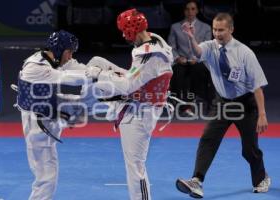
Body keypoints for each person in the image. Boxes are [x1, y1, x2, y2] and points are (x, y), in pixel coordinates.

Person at [175, 13, 270, 198]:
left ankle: (261, 178)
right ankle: (197, 181)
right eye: (214, 30)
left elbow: (257, 86)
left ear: (231, 29)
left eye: (221, 30)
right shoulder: (210, 47)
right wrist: (191, 37)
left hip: (245, 104)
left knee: (249, 149)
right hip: (222, 102)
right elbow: (198, 53)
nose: (217, 33)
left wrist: (262, 114)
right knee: (208, 139)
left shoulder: (244, 53)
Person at [87, 9, 173, 200]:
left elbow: (127, 86)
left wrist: (100, 75)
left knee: (135, 166)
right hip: (141, 98)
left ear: (130, 31)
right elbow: (135, 78)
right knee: (96, 62)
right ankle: (72, 81)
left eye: (124, 32)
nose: (124, 36)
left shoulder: (150, 55)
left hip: (141, 112)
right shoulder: (155, 40)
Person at [15, 30, 94, 200]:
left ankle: (124, 99)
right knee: (46, 177)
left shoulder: (53, 58)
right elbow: (67, 77)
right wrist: (92, 75)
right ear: (59, 49)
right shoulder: (36, 67)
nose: (71, 56)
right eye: (69, 52)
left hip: (51, 109)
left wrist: (100, 73)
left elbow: (77, 68)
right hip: (37, 124)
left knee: (88, 103)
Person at [168, 0, 214, 116]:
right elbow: (171, 47)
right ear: (184, 11)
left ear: (197, 11)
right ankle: (182, 105)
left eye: (193, 9)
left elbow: (207, 47)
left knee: (198, 71)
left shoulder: (206, 27)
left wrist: (197, 58)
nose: (190, 12)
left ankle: (193, 100)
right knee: (177, 72)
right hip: (181, 61)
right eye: (187, 9)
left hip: (198, 60)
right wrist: (177, 58)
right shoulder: (175, 27)